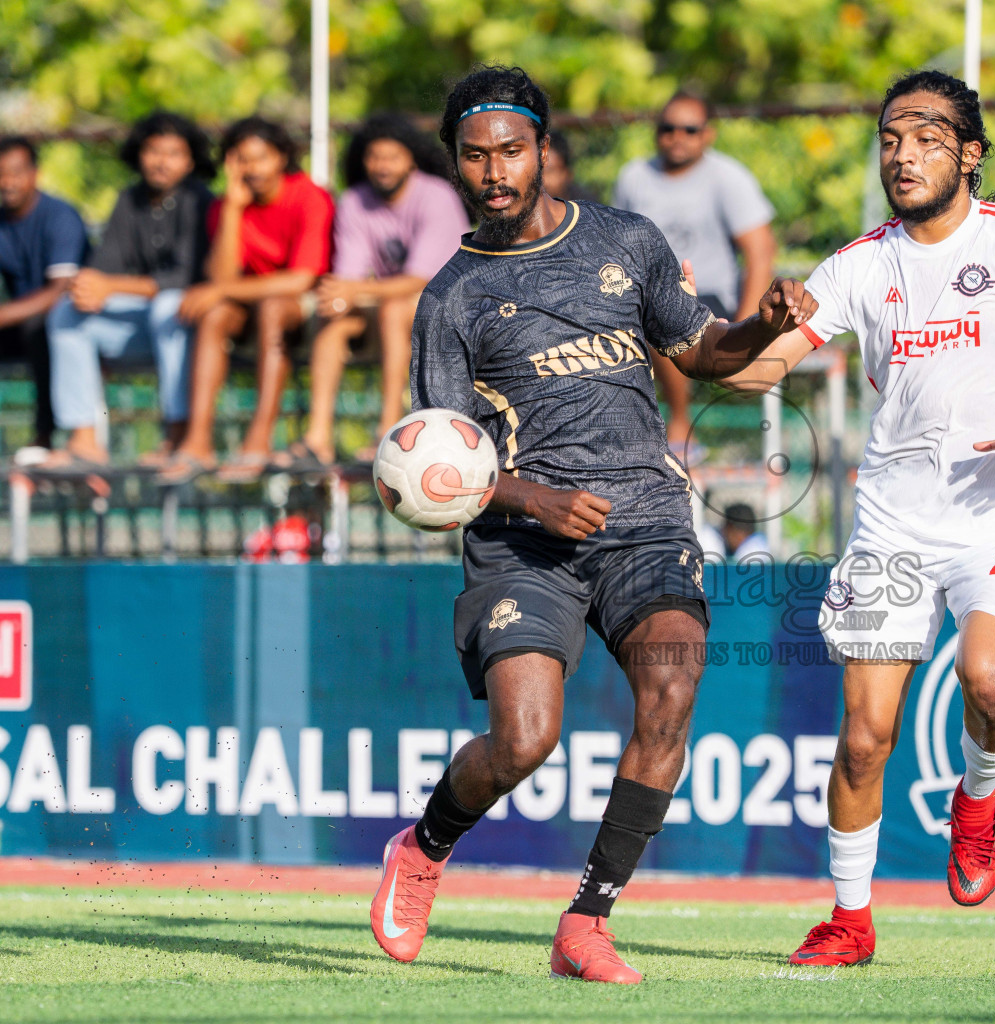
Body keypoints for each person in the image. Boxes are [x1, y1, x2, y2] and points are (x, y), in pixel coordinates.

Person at [372, 64, 814, 984]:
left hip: (646, 520)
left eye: (511, 151)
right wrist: (534, 498)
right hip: (524, 543)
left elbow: (704, 352)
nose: (495, 171)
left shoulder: (626, 239)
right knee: (524, 740)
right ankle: (423, 846)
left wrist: (763, 325)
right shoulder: (450, 298)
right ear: (455, 164)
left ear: (543, 150)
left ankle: (587, 921)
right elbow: (441, 463)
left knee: (672, 687)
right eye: (475, 156)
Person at [715, 70, 995, 965]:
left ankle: (979, 795)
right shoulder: (859, 264)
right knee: (864, 739)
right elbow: (754, 373)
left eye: (925, 139)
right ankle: (849, 920)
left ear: (970, 154)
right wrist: (752, 324)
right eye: (889, 141)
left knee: (988, 684)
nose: (903, 156)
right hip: (894, 523)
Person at [286, 113, 468, 467]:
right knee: (334, 313)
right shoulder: (355, 201)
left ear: (411, 160)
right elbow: (350, 277)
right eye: (374, 157)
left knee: (393, 309)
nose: (383, 166)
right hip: (391, 303)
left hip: (445, 306)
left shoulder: (436, 196)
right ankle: (318, 438)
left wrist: (353, 289)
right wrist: (341, 296)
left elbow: (420, 279)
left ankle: (389, 431)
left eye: (392, 157)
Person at [163, 117, 334, 482]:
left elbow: (301, 280)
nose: (252, 169)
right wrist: (232, 209)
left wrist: (223, 290)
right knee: (213, 313)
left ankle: (258, 440)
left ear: (281, 157)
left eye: (261, 158)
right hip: (249, 306)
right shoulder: (226, 206)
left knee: (270, 307)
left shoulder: (309, 196)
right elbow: (221, 279)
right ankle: (198, 443)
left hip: (305, 308)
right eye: (242, 160)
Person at [44, 111, 214, 468]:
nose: (161, 162)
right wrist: (87, 287)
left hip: (193, 331)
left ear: (190, 160)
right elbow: (105, 267)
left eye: (173, 153)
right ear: (139, 154)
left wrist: (110, 286)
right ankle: (83, 439)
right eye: (153, 151)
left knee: (170, 305)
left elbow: (184, 278)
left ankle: (177, 435)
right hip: (143, 330)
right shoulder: (129, 199)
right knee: (65, 312)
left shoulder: (201, 201)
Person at [612, 90, 776, 454]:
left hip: (711, 298)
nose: (677, 137)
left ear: (708, 134)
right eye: (667, 128)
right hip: (646, 296)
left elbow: (761, 251)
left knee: (658, 317)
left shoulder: (727, 177)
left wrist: (747, 324)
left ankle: (680, 424)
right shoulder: (633, 177)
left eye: (689, 130)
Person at [0, 136, 88, 459]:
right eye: (1, 174)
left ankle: (44, 437)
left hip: (74, 322)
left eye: (15, 172)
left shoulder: (60, 216)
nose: (7, 182)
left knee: (39, 326)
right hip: (20, 324)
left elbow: (60, 291)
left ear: (34, 174)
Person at [542, 130, 597, 203]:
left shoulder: (586, 205)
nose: (542, 179)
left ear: (567, 173)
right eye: (538, 171)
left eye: (549, 171)